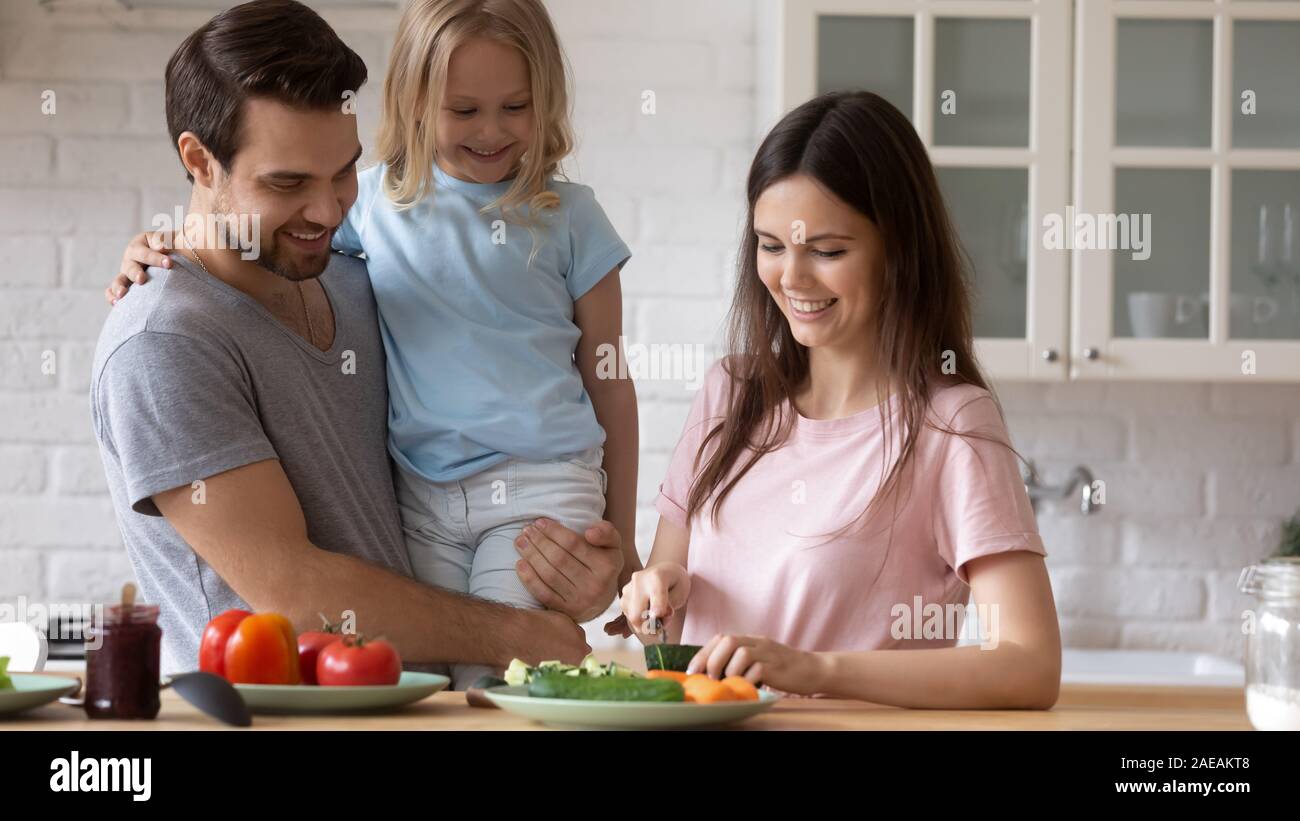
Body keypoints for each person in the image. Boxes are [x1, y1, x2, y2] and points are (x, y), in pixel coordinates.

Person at [90, 0, 621, 677]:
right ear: (199, 161)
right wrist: (521, 632)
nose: (325, 210)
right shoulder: (162, 343)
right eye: (288, 183)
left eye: (343, 172)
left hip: (408, 707)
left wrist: (589, 569)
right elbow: (296, 592)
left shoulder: (349, 275)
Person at [619, 91, 1061, 709]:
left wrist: (814, 669)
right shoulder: (730, 393)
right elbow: (664, 617)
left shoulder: (951, 425)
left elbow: (1030, 666)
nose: (792, 278)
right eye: (771, 246)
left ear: (898, 250)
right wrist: (657, 598)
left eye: (827, 251)